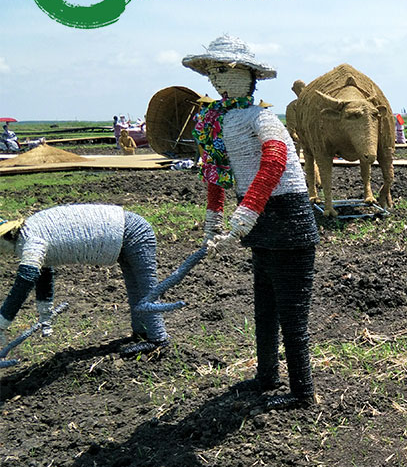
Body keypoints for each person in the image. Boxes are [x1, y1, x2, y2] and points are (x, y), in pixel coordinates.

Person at [183, 34, 319, 410]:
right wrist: (213, 218)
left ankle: (301, 391)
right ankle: (266, 373)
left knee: (291, 312)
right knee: (264, 303)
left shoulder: (263, 118)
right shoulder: (215, 120)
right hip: (258, 220)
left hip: (287, 218)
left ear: (248, 75)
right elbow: (217, 171)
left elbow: (274, 160)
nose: (216, 78)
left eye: (224, 70)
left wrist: (247, 211)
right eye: (213, 71)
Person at [0, 205, 169, 356]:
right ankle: (142, 332)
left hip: (132, 232)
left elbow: (25, 281)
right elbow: (44, 274)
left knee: (147, 287)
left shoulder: (30, 240)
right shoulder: (31, 231)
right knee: (134, 286)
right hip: (123, 232)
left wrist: (2, 323)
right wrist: (45, 314)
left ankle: (158, 339)